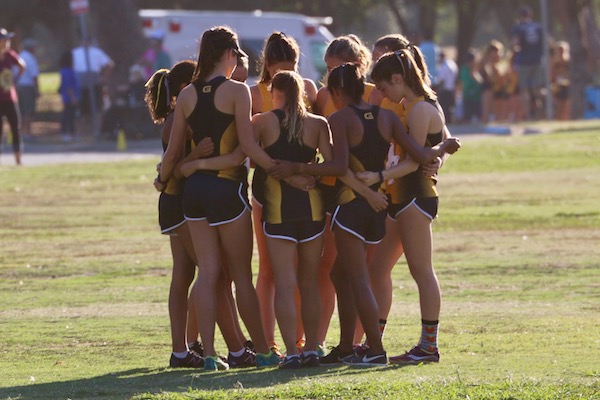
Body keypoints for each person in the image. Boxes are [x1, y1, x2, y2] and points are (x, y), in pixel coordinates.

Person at [159, 26, 281, 371]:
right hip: (226, 192)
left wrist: (166, 176)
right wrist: (280, 166)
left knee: (208, 273)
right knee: (241, 275)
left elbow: (171, 155)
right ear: (229, 54)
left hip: (194, 194)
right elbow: (244, 149)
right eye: (237, 56)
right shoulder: (237, 91)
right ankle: (262, 351)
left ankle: (210, 355)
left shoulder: (186, 95)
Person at [369, 48, 461, 365]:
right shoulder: (407, 105)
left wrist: (379, 175)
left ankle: (428, 346)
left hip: (415, 197)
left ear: (398, 79)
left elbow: (413, 162)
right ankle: (374, 343)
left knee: (421, 271)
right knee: (377, 269)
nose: (383, 95)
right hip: (399, 197)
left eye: (384, 88)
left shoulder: (422, 109)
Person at [251, 70, 344, 368]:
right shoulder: (318, 124)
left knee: (284, 280)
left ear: (275, 93)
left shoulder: (262, 121)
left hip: (279, 211)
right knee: (309, 281)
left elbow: (252, 158)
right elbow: (331, 166)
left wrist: (286, 170)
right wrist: (303, 170)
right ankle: (314, 347)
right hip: (312, 209)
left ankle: (291, 351)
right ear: (302, 94)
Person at [250, 32, 318, 358]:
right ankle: (267, 342)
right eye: (278, 68)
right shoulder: (255, 93)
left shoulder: (307, 88)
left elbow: (314, 138)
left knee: (301, 272)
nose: (285, 74)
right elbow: (250, 150)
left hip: (303, 193)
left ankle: (301, 340)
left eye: (290, 66)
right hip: (266, 191)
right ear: (267, 65)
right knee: (270, 271)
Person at [312, 34, 375, 353]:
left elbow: (340, 163)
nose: (333, 76)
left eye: (341, 69)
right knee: (339, 270)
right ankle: (345, 344)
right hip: (339, 192)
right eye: (328, 69)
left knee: (358, 273)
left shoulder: (370, 100)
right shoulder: (325, 97)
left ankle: (371, 346)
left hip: (358, 193)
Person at [72, 38, 114, 136]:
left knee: (97, 107)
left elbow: (110, 64)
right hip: (80, 82)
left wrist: (103, 78)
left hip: (94, 82)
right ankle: (82, 132)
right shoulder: (75, 52)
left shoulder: (97, 52)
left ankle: (97, 131)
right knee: (81, 110)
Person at [511, 5, 544, 119]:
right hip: (538, 60)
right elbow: (547, 42)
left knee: (524, 89)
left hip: (524, 61)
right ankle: (541, 113)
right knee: (537, 89)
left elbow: (515, 43)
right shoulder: (539, 27)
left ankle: (528, 115)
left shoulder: (518, 27)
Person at [0, 28, 25, 165]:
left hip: (10, 97)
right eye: (4, 40)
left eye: (7, 40)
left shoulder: (10, 55)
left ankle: (18, 161)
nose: (6, 42)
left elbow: (22, 66)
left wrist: (15, 79)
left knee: (15, 128)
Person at [16, 38, 39, 138]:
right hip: (28, 86)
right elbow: (34, 76)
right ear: (30, 48)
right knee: (28, 110)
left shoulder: (19, 56)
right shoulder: (31, 58)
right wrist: (37, 89)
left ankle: (20, 132)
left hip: (18, 85)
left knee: (20, 110)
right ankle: (27, 132)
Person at [58, 51, 80, 142]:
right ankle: (65, 133)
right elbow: (68, 85)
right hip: (69, 97)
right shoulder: (66, 71)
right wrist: (73, 97)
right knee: (68, 115)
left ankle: (72, 132)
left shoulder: (71, 70)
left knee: (72, 115)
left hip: (72, 96)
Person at [458, 49, 482, 123]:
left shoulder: (475, 69)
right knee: (467, 117)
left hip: (476, 96)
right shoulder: (465, 69)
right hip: (468, 96)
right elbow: (461, 83)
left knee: (478, 117)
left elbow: (480, 82)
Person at [436, 51, 458, 124]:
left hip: (445, 89)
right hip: (452, 88)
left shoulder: (444, 66)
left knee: (444, 107)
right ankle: (451, 120)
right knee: (450, 106)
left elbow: (441, 79)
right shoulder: (452, 64)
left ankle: (447, 121)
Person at [551, 41, 570, 121]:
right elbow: (552, 75)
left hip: (567, 85)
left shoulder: (568, 62)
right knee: (559, 104)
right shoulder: (555, 63)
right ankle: (558, 120)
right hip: (558, 86)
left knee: (566, 104)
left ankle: (565, 119)